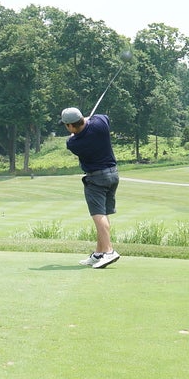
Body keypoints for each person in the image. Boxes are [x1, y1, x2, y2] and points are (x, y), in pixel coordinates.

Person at [61, 105, 120, 268]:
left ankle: (109, 251)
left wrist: (83, 121)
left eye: (66, 125)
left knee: (98, 215)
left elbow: (78, 131)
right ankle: (99, 253)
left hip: (96, 179)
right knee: (104, 214)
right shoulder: (100, 123)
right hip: (113, 175)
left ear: (71, 125)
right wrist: (87, 119)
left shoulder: (73, 142)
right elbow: (99, 119)